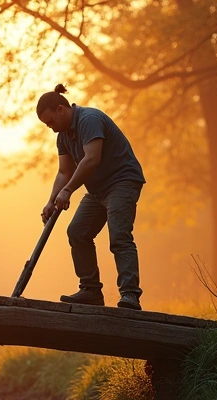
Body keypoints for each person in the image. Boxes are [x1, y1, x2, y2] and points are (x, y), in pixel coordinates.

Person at [37, 84, 146, 310]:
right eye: (47, 125)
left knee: (119, 236)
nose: (51, 128)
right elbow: (64, 172)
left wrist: (68, 191)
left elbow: (91, 159)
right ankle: (90, 290)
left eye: (51, 122)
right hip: (98, 190)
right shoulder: (63, 136)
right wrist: (51, 200)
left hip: (122, 182)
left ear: (61, 109)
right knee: (77, 232)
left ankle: (130, 295)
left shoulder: (89, 119)